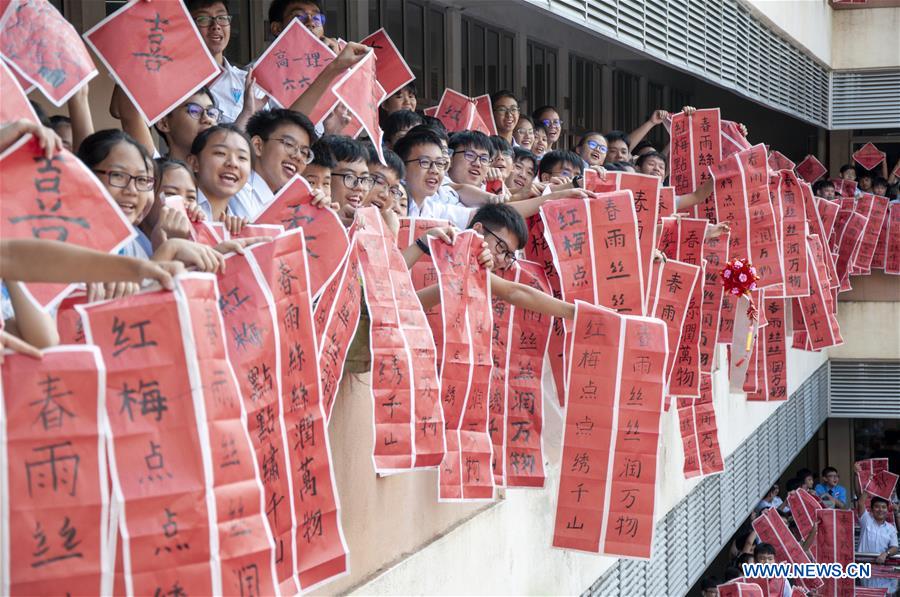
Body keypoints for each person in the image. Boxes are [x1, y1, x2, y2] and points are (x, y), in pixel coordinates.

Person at [410, 204, 576, 320]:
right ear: (477, 229)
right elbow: (513, 292)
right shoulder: (439, 243)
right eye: (501, 247)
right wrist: (577, 313)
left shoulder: (477, 268)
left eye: (509, 255)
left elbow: (514, 292)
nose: (502, 260)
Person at [187, 0, 261, 128]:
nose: (216, 25)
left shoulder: (248, 81)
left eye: (222, 18)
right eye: (203, 19)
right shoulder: (176, 82)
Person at [243, 108, 318, 215]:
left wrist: (316, 212)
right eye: (289, 144)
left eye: (304, 152)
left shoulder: (279, 204)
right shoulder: (236, 190)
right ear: (258, 146)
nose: (298, 156)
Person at [187, 124, 255, 222]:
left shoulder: (243, 225)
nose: (233, 163)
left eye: (242, 157)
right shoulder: (179, 210)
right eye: (220, 153)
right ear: (194, 163)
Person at [856, 463, 899, 594]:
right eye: (877, 507)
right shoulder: (866, 520)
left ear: (887, 510)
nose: (880, 510)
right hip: (864, 568)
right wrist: (870, 485)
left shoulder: (891, 528)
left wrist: (886, 554)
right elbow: (861, 503)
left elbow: (894, 547)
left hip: (883, 568)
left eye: (883, 507)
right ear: (872, 509)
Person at [321, 135, 372, 226]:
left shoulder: (370, 228)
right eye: (349, 177)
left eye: (364, 179)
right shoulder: (305, 222)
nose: (359, 187)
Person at [268, 0, 338, 52]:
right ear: (277, 28)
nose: (311, 23)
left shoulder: (337, 58)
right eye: (299, 16)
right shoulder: (259, 70)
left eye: (317, 18)